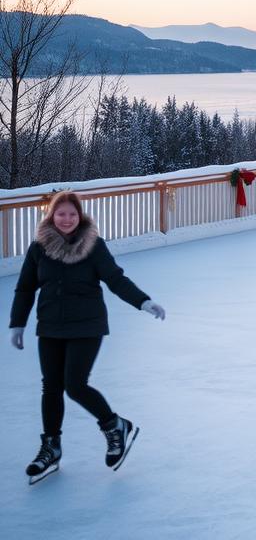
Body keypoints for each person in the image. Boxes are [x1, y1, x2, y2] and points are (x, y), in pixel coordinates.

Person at [8, 191, 166, 484]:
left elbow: (115, 279)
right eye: (61, 214)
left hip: (87, 325)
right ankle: (51, 447)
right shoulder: (38, 248)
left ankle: (114, 425)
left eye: (72, 214)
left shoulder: (93, 246)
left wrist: (143, 301)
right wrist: (17, 323)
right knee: (50, 387)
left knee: (74, 385)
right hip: (51, 326)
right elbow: (25, 288)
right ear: (51, 216)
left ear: (79, 216)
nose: (66, 219)